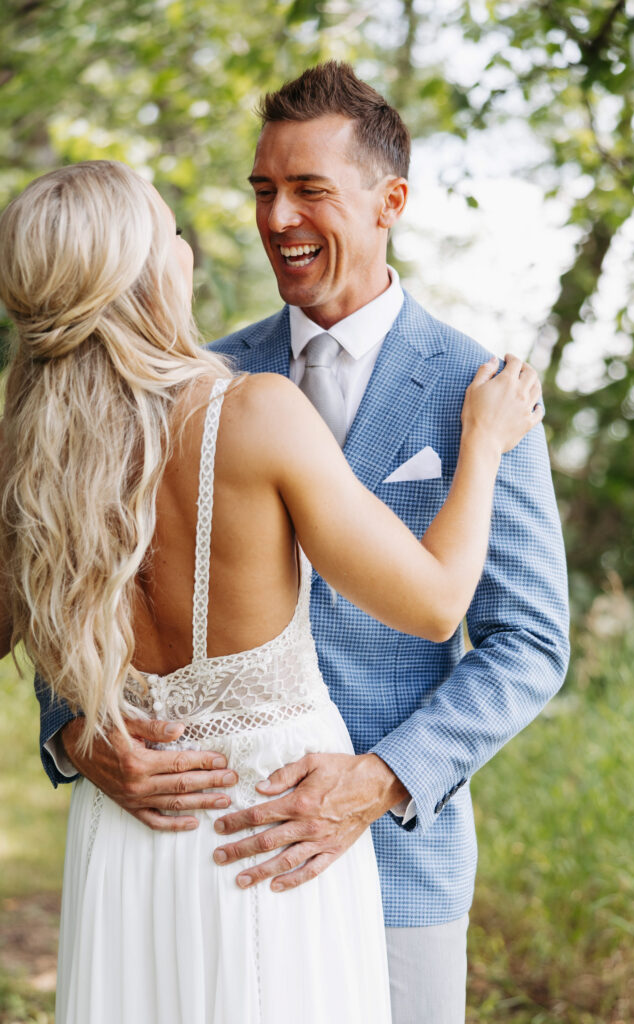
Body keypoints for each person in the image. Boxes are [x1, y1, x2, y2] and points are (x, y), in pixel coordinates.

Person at [1, 159, 541, 1023]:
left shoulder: (30, 454)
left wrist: (85, 713)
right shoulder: (255, 409)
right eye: (171, 230)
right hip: (268, 836)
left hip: (131, 850)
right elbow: (440, 601)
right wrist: (480, 446)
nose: (190, 247)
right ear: (143, 271)